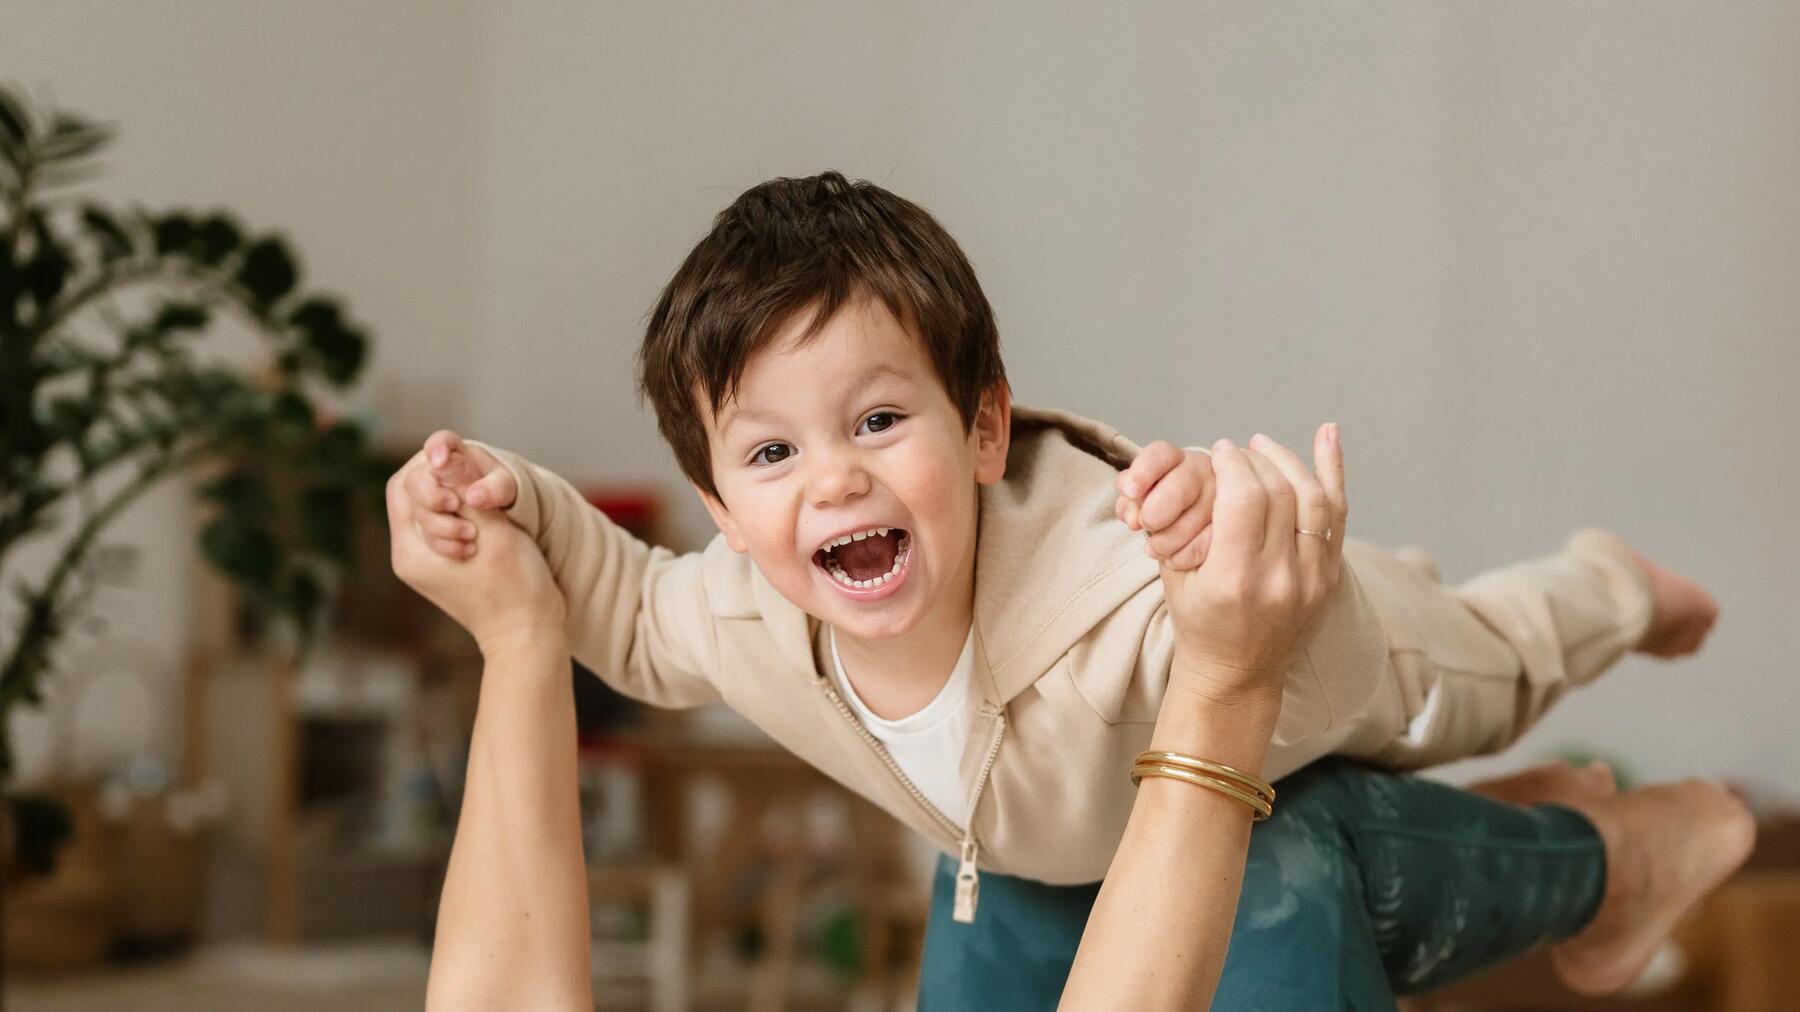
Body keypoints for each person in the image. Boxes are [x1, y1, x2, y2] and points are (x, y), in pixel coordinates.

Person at [395, 171, 1746, 1000]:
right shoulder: (745, 614)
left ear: (985, 431)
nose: (834, 483)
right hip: (1065, 851)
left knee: (1488, 671)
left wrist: (1240, 569)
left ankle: (1616, 586)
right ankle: (1556, 808)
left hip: (1323, 650)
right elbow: (617, 604)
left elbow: (1293, 684)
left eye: (878, 423)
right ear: (721, 512)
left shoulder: (1115, 594)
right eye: (770, 452)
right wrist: (498, 498)